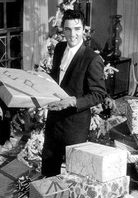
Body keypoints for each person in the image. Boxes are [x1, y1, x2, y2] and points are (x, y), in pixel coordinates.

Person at [41, 9, 108, 177]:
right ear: (63, 29)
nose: (73, 34)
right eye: (68, 29)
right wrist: (41, 79)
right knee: (49, 164)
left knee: (74, 171)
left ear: (83, 29)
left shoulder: (92, 59)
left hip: (74, 124)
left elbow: (99, 93)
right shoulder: (59, 48)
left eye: (77, 29)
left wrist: (73, 101)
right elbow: (58, 78)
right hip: (54, 118)